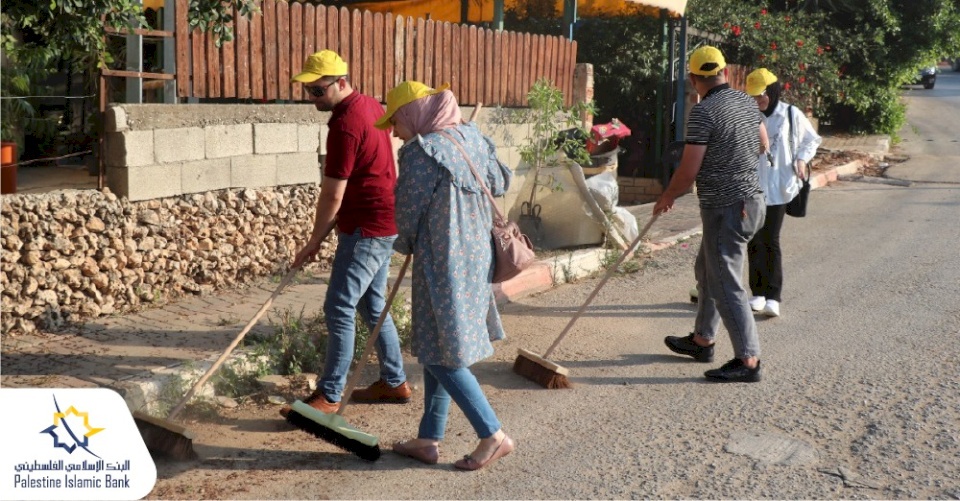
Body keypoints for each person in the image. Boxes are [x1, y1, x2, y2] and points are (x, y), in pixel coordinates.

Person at [376, 81, 515, 470]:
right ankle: (428, 438)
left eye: (395, 121)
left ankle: (492, 434)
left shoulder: (421, 151)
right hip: (475, 257)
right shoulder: (471, 136)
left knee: (441, 352)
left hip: (442, 260)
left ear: (411, 113)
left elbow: (406, 211)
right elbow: (502, 181)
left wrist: (403, 242)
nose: (392, 130)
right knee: (441, 342)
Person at [280, 50, 411, 417]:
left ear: (341, 82)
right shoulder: (369, 105)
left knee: (338, 305)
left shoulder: (344, 125)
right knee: (372, 306)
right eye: (308, 91)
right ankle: (394, 381)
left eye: (318, 91)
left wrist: (313, 240)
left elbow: (332, 191)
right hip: (383, 220)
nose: (312, 99)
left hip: (366, 227)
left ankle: (330, 395)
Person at [653, 46, 769, 383]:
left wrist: (668, 195)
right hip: (750, 201)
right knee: (706, 269)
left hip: (726, 208)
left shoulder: (704, 113)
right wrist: (736, 158)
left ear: (693, 79)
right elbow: (763, 143)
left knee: (725, 283)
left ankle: (748, 361)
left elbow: (689, 169)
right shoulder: (747, 102)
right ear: (726, 74)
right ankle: (703, 339)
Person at [744, 68, 822, 318]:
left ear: (774, 92)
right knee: (754, 240)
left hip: (779, 186)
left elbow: (812, 139)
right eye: (754, 97)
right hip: (753, 187)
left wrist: (801, 159)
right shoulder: (748, 115)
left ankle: (773, 297)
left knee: (771, 240)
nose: (758, 101)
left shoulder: (790, 114)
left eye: (762, 96)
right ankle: (757, 294)